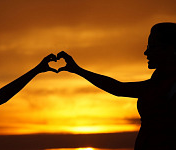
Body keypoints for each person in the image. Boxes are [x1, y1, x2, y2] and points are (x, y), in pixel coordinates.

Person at [57, 22, 176, 150]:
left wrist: (77, 70)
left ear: (170, 49)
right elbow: (118, 88)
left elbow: (119, 88)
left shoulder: (171, 85)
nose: (146, 52)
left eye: (152, 47)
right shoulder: (158, 81)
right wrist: (77, 70)